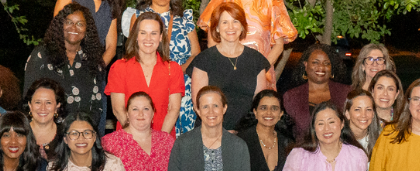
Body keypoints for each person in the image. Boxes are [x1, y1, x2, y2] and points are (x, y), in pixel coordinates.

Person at [162, 86, 254, 171]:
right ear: (198, 110)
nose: (211, 112)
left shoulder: (239, 146)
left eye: (215, 106)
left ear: (224, 108)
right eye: (205, 107)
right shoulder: (183, 143)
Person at [268, 101, 370, 171]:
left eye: (331, 122)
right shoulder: (299, 155)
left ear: (342, 124)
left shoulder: (357, 155)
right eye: (320, 124)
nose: (326, 129)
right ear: (314, 128)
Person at [121, 0, 201, 133]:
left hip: (182, 83)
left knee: (185, 133)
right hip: (151, 82)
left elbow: (196, 53)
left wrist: (176, 71)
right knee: (153, 127)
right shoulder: (139, 16)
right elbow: (133, 51)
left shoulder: (184, 19)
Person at [190, 2, 271, 130]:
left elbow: (260, 104)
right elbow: (199, 104)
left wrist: (242, 133)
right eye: (225, 22)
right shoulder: (203, 60)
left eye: (235, 21)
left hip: (246, 132)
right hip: (211, 130)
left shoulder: (256, 60)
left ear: (242, 26)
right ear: (217, 28)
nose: (231, 27)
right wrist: (224, 135)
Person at [25, 4, 106, 129]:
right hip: (48, 132)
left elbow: (96, 106)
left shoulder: (93, 60)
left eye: (80, 24)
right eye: (68, 22)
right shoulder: (41, 56)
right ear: (60, 26)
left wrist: (83, 132)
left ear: (87, 30)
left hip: (82, 134)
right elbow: (28, 99)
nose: (73, 27)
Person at [108, 11, 185, 133]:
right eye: (143, 33)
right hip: (129, 137)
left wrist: (160, 140)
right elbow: (118, 109)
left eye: (153, 33)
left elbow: (174, 109)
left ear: (160, 37)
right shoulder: (119, 67)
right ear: (136, 36)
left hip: (163, 136)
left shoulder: (173, 69)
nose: (148, 38)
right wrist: (136, 136)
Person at [197, 0, 297, 67]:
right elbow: (212, 42)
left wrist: (261, 69)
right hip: (226, 69)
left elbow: (279, 45)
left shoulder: (272, 2)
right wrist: (224, 67)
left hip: (261, 71)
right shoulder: (221, 1)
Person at [283, 43, 351, 140]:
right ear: (306, 65)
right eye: (315, 62)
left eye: (326, 63)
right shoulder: (291, 97)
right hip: (304, 148)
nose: (321, 67)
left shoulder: (346, 92)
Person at [53, 0, 121, 65]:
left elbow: (111, 48)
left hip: (91, 66)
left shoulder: (109, 8)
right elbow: (56, 34)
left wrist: (97, 69)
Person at [24, 78, 67, 157]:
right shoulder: (18, 133)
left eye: (48, 103)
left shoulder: (66, 136)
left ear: (57, 105)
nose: (43, 108)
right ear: (30, 105)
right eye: (38, 102)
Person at [343, 89, 381, 153]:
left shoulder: (380, 139)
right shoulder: (338, 141)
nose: (363, 115)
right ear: (347, 114)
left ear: (373, 114)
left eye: (368, 109)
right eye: (357, 109)